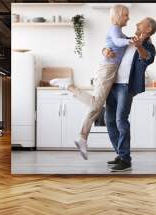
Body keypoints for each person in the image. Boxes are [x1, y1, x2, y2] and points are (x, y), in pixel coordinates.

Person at [50, 4, 132, 160]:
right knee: (96, 104)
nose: (128, 17)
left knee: (96, 106)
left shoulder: (120, 32)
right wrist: (129, 42)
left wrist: (130, 40)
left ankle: (82, 138)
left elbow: (116, 42)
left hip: (110, 70)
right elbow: (116, 41)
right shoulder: (114, 29)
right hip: (107, 69)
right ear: (117, 16)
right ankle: (69, 85)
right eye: (126, 15)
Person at [104, 17, 156, 172]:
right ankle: (121, 155)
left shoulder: (149, 47)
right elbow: (109, 46)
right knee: (109, 121)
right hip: (112, 84)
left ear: (147, 29)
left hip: (126, 87)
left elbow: (146, 58)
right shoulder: (126, 40)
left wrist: (140, 47)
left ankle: (125, 159)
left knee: (121, 120)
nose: (136, 24)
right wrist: (105, 51)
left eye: (140, 23)